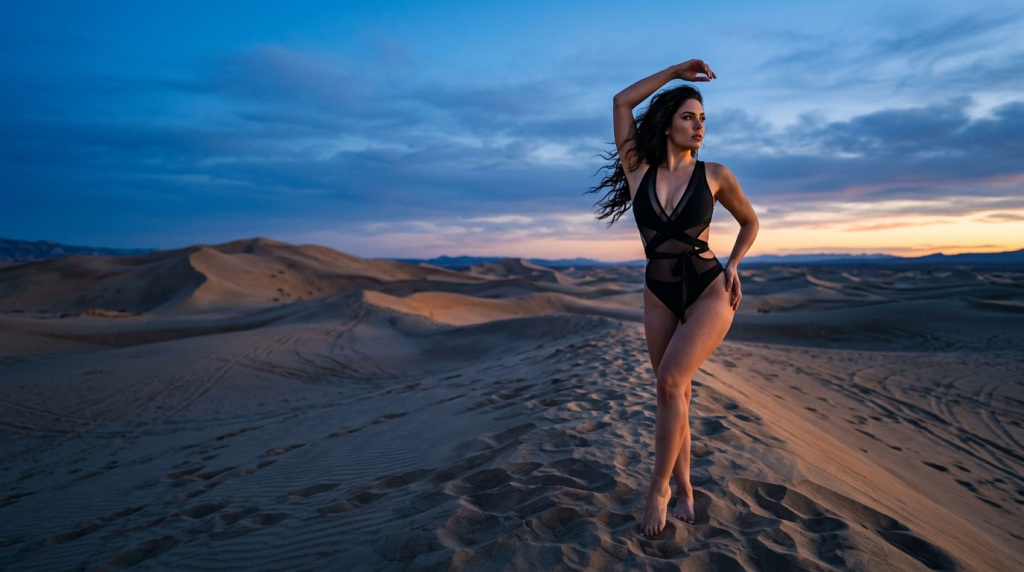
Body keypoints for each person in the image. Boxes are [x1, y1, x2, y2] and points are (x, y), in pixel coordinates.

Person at [588, 59, 759, 537]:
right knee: (674, 392)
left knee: (669, 382)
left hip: (710, 288)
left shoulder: (716, 174)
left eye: (703, 120)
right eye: (689, 117)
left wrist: (735, 263)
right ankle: (685, 489)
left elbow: (750, 222)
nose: (699, 126)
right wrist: (675, 72)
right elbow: (621, 102)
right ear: (667, 124)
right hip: (657, 290)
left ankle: (658, 488)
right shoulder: (637, 169)